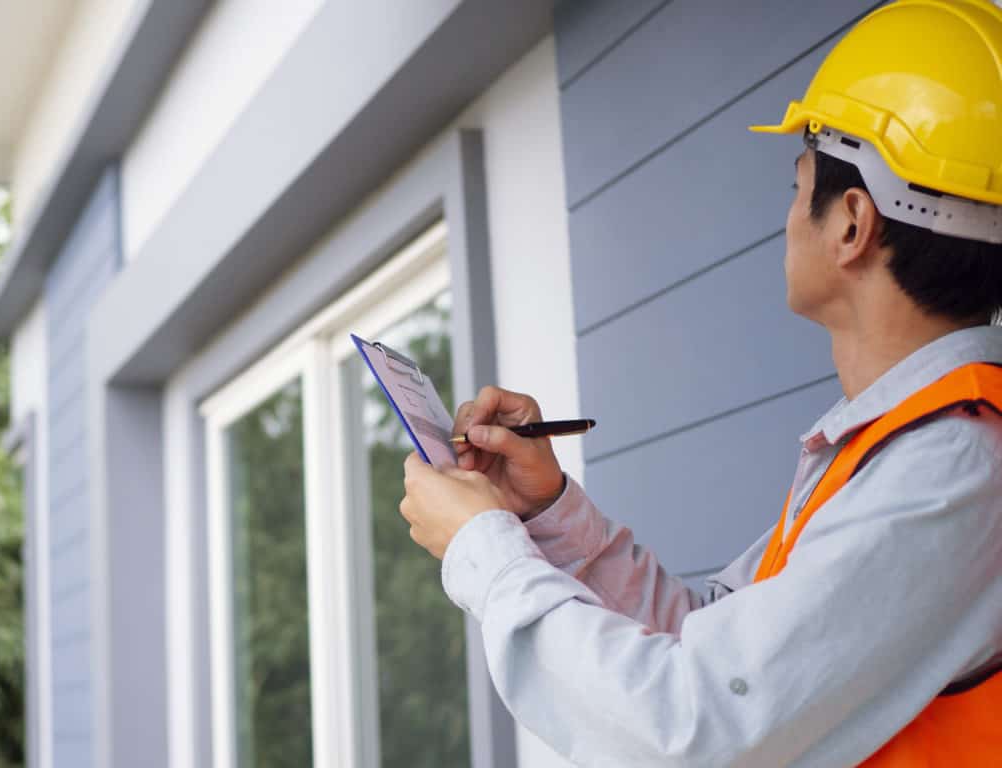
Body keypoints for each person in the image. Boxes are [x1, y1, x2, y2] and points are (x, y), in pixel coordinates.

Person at [397, 1, 1002, 764]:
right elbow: (707, 639)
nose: (785, 218)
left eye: (796, 183)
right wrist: (547, 513)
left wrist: (484, 551)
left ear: (852, 223)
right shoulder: (900, 449)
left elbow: (690, 727)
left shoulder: (952, 468)